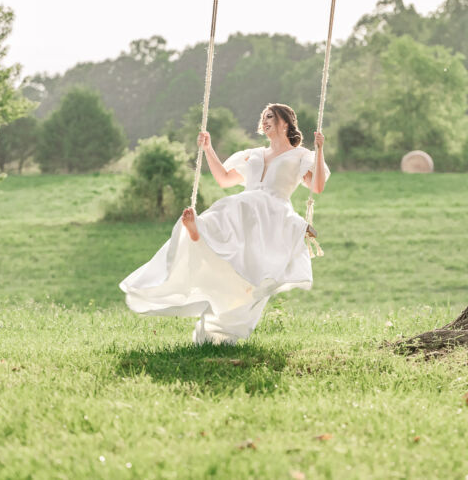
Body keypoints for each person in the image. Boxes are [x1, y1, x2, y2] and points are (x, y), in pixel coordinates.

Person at [119, 103, 330, 345]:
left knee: (250, 268)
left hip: (273, 213)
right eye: (263, 117)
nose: (265, 121)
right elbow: (224, 179)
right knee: (227, 212)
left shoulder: (301, 155)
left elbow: (318, 187)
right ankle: (199, 235)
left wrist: (320, 149)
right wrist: (208, 149)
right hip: (247, 210)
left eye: (270, 116)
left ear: (285, 123)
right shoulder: (253, 154)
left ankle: (207, 239)